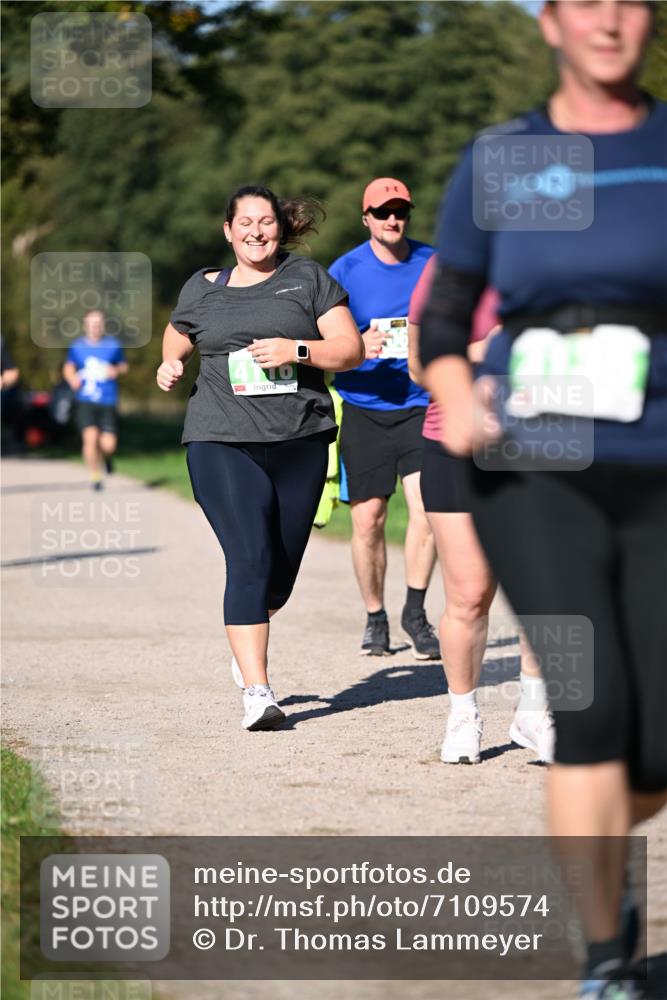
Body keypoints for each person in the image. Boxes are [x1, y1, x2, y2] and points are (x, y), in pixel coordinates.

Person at [421, 2, 666, 997]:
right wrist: (451, 394)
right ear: (550, 23)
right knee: (592, 707)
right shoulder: (508, 158)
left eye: (628, 1)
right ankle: (604, 956)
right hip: (533, 468)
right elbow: (441, 311)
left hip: (658, 463)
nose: (609, 20)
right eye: (585, 3)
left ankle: (604, 871)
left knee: (653, 739)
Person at [158, 185, 363, 732]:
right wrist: (170, 364)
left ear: (280, 227)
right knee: (248, 558)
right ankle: (258, 691)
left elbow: (350, 350)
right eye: (244, 222)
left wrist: (296, 350)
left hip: (299, 439)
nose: (256, 231)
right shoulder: (203, 287)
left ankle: (247, 626)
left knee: (278, 575)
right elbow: (178, 334)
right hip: (219, 439)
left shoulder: (308, 280)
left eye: (266, 222)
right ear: (228, 231)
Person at [408, 261, 555, 765]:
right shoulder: (448, 271)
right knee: (469, 594)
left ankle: (533, 713)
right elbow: (418, 367)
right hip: (454, 446)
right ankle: (463, 714)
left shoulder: (560, 263)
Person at [330, 178, 440, 660]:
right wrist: (357, 348)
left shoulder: (433, 263)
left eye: (401, 211)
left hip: (420, 404)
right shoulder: (345, 270)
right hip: (364, 408)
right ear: (366, 219)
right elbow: (326, 343)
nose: (393, 219)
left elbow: (457, 318)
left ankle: (414, 612)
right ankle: (375, 616)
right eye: (383, 212)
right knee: (369, 520)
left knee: (428, 510)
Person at [63, 309, 128, 490]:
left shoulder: (113, 345)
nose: (95, 327)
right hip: (85, 400)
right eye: (91, 324)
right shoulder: (77, 346)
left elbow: (123, 365)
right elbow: (68, 367)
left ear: (103, 326)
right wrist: (72, 379)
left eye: (98, 324)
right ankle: (95, 476)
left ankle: (107, 458)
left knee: (108, 445)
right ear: (85, 326)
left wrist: (116, 371)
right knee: (90, 438)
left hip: (108, 400)